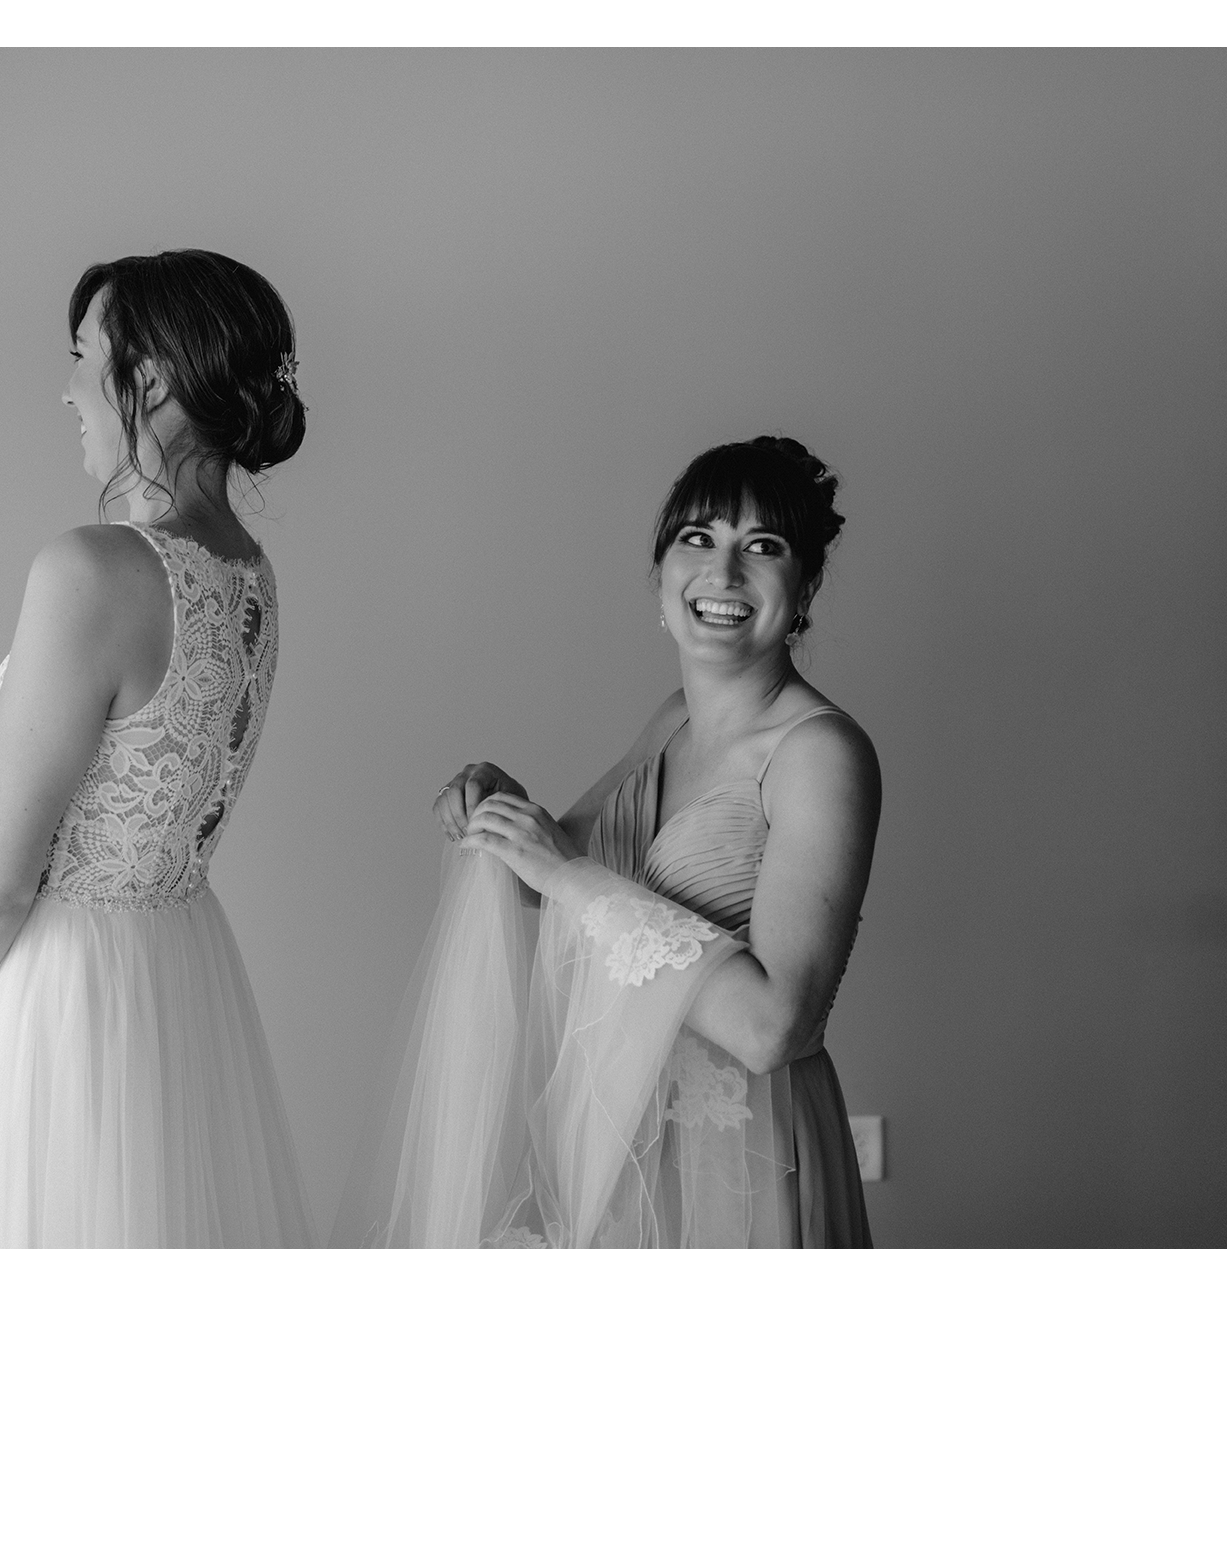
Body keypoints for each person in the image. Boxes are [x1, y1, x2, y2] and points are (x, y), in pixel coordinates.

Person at [333, 436, 880, 1248]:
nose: (724, 572)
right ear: (660, 576)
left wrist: (561, 871)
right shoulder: (674, 720)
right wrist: (501, 808)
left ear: (804, 589)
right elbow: (558, 875)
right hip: (624, 1132)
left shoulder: (820, 755)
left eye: (763, 546)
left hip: (741, 1161)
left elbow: (775, 1028)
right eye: (698, 537)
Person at [0, 250, 315, 1247]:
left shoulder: (93, 569)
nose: (68, 389)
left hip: (58, 998)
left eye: (82, 355)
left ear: (149, 380)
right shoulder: (247, 575)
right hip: (173, 976)